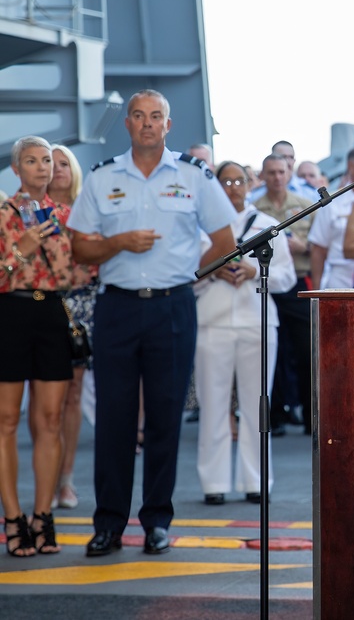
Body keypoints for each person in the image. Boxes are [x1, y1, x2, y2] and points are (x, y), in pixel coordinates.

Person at [68, 89, 236, 556]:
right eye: (138, 116)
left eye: (155, 116)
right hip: (117, 308)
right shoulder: (103, 178)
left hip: (173, 307)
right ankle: (108, 525)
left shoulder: (194, 175)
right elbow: (80, 248)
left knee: (165, 418)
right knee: (114, 422)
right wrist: (117, 242)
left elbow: (224, 239)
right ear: (127, 124)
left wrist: (188, 274)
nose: (147, 123)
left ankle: (157, 522)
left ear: (168, 124)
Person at [194, 162, 296, 504]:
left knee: (257, 405)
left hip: (257, 323)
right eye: (226, 181)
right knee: (213, 404)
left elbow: (287, 278)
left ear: (249, 184)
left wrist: (254, 270)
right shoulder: (201, 227)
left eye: (239, 180)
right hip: (212, 323)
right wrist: (213, 272)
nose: (233, 187)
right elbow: (186, 279)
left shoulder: (267, 226)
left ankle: (257, 480)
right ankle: (214, 483)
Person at [0, 136, 74, 556]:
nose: (43, 167)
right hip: (8, 313)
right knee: (7, 420)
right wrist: (20, 253)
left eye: (47, 160)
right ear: (17, 169)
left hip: (51, 316)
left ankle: (42, 514)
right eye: (32, 160)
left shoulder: (67, 214)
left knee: (49, 420)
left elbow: (75, 274)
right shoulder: (2, 214)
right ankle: (12, 517)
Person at [47, 144, 99, 510]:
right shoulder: (27, 212)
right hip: (42, 305)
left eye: (65, 163)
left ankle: (65, 479)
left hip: (84, 306)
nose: (58, 169)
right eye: (51, 163)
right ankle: (44, 477)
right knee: (44, 399)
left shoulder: (90, 209)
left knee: (73, 395)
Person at [254, 154, 314, 435]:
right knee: (270, 352)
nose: (277, 177)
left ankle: (309, 414)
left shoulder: (305, 205)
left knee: (306, 350)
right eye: (271, 172)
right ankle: (274, 415)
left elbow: (319, 246)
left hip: (299, 282)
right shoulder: (254, 210)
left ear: (289, 174)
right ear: (263, 175)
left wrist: (302, 247)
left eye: (281, 172)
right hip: (266, 282)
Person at [309, 146, 354, 289]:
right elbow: (318, 248)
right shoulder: (334, 201)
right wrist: (316, 289)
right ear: (351, 165)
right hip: (340, 278)